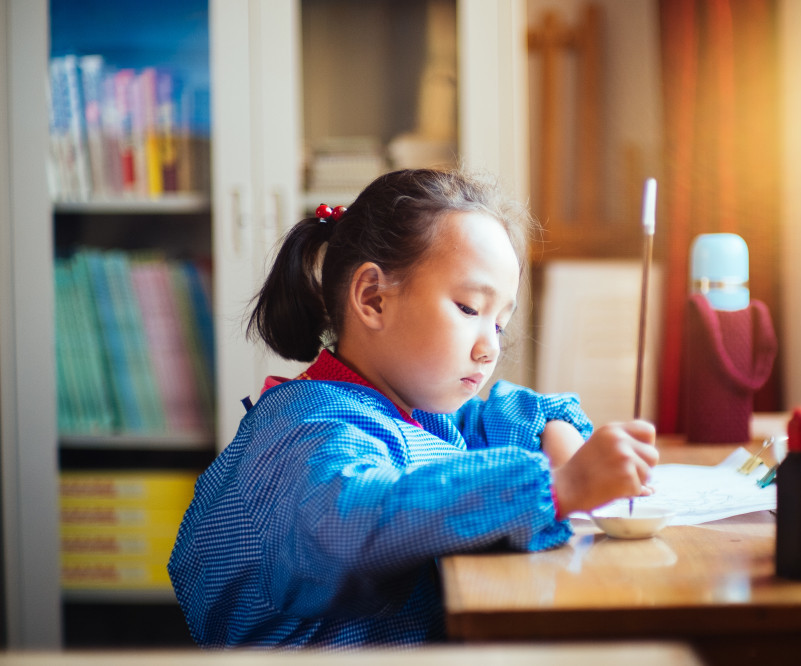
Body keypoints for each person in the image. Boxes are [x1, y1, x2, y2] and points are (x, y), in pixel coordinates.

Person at [168, 168, 658, 649]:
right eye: (469, 308)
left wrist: (559, 435)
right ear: (374, 298)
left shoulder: (405, 405)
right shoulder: (307, 429)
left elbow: (491, 419)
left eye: (501, 324)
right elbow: (357, 520)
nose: (490, 349)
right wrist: (561, 487)